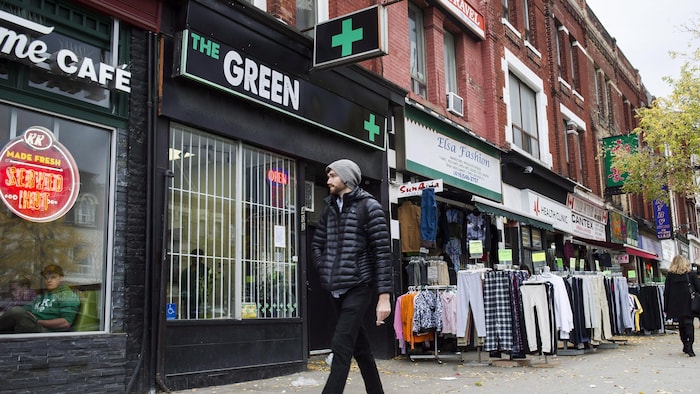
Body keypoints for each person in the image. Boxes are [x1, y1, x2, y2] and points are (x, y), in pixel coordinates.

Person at [311, 159, 393, 394]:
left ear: (346, 178)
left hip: (359, 285)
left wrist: (384, 297)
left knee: (341, 345)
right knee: (361, 348)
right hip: (335, 287)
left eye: (333, 176)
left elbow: (382, 253)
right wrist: (325, 265)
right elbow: (317, 245)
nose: (328, 181)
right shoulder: (328, 209)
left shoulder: (370, 207)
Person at [0, 264, 80, 333]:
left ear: (61, 278)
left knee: (15, 311)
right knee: (14, 313)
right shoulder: (41, 296)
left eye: (53, 277)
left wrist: (37, 321)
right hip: (32, 327)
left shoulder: (67, 295)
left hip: (46, 332)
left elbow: (66, 323)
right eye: (46, 278)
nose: (49, 280)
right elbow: (25, 309)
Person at [664, 255, 700, 356]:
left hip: (676, 304)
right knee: (689, 324)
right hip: (689, 303)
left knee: (681, 325)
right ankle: (690, 346)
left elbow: (666, 292)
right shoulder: (691, 274)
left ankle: (685, 344)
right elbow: (698, 288)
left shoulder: (670, 275)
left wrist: (666, 307)